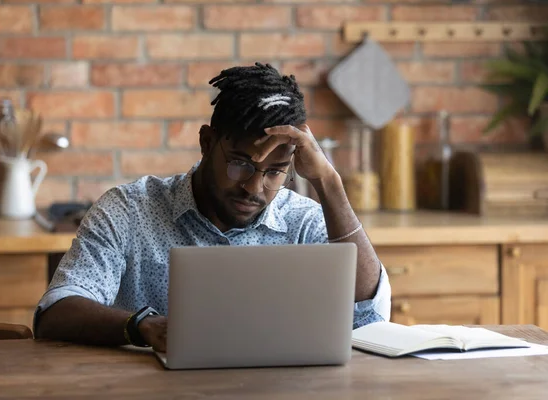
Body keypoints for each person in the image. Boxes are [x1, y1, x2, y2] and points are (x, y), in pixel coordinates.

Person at [34, 62, 391, 351]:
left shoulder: (304, 222)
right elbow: (56, 310)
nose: (254, 186)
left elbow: (370, 322)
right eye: (241, 164)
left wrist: (329, 182)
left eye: (274, 172)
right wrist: (142, 325)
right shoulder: (129, 211)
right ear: (207, 142)